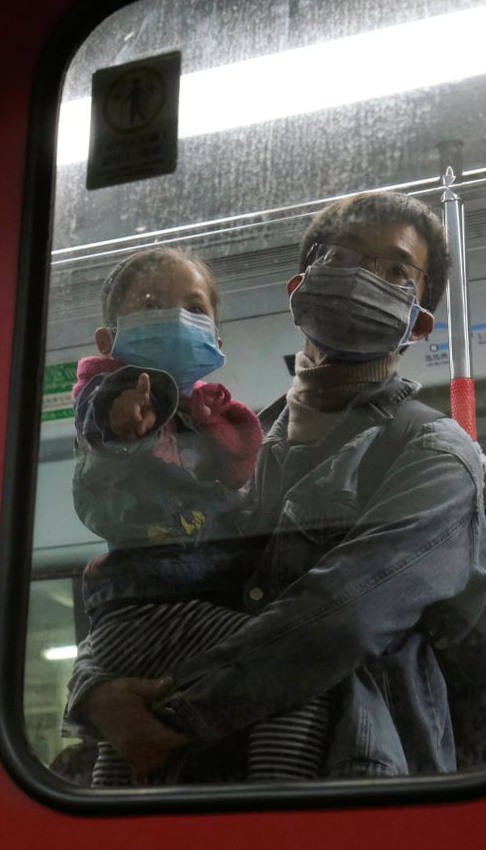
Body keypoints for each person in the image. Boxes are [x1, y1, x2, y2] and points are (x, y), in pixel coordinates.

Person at [65, 193, 486, 782]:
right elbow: (143, 580)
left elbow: (337, 621)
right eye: (341, 257)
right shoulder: (235, 447)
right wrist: (94, 694)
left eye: (394, 271)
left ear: (418, 323)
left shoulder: (435, 456)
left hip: (354, 787)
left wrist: (157, 712)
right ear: (301, 287)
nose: (361, 279)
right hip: (197, 785)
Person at [66, 245, 332, 785]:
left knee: (133, 750)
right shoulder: (117, 398)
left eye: (192, 305)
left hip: (157, 619)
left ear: (217, 338)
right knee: (293, 668)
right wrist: (122, 424)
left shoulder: (208, 421)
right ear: (107, 341)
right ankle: (279, 807)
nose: (175, 316)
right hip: (149, 609)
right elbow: (99, 429)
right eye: (150, 304)